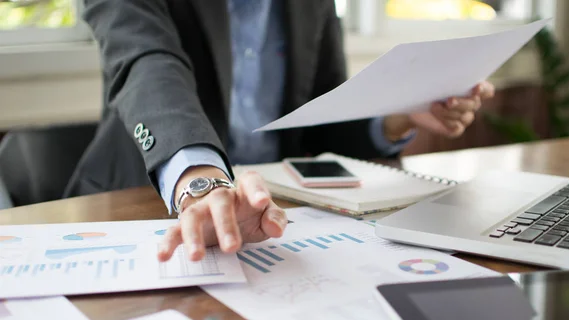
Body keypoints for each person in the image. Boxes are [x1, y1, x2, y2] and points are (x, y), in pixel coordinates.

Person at [68, 0, 494, 262]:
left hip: (281, 216)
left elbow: (320, 120)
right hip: (140, 201)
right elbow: (147, 63)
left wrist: (397, 117)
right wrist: (200, 181)